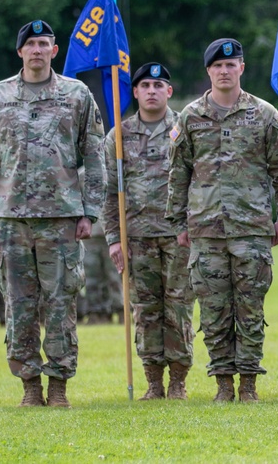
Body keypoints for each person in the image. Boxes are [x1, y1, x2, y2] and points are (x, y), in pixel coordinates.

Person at [167, 38, 278, 403]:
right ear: (208, 71)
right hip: (205, 229)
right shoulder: (190, 117)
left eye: (232, 65)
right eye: (218, 66)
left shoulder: (265, 115)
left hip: (252, 229)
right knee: (213, 310)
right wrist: (178, 223)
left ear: (241, 68)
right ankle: (222, 383)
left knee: (250, 308)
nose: (224, 71)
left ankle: (248, 383)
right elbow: (178, 174)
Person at [0, 19, 105, 408]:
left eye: (44, 43)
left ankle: (58, 386)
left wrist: (90, 211)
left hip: (62, 217)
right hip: (11, 219)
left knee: (60, 303)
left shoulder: (77, 94)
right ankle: (29, 388)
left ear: (55, 50)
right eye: (30, 44)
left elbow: (94, 153)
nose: (37, 50)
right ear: (19, 51)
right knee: (18, 305)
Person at [105, 62, 194, 400]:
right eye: (146, 86)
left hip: (179, 236)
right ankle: (153, 381)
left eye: (159, 85)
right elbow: (108, 192)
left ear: (169, 91)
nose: (152, 91)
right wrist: (114, 238)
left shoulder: (186, 127)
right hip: (137, 237)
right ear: (136, 92)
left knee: (179, 308)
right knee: (145, 310)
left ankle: (178, 382)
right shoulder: (119, 135)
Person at [81, 220, 122, 324]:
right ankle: (95, 313)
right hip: (90, 233)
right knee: (91, 277)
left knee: (114, 275)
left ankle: (120, 310)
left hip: (112, 233)